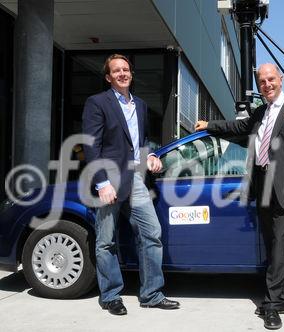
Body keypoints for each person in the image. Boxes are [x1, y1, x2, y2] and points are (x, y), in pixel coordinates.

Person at [195, 63, 284, 330]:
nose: (267, 85)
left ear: (280, 79)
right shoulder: (260, 111)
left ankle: (272, 305)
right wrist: (208, 125)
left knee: (280, 248)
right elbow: (238, 128)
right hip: (262, 185)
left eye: (271, 79)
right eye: (262, 82)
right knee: (275, 246)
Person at [82, 54, 179, 315]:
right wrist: (102, 183)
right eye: (117, 70)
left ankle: (151, 293)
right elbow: (92, 146)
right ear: (108, 77)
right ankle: (111, 295)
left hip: (136, 178)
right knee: (105, 241)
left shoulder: (141, 105)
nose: (123, 73)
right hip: (109, 180)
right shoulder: (97, 102)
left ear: (131, 74)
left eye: (126, 69)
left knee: (151, 232)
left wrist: (149, 155)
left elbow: (141, 140)